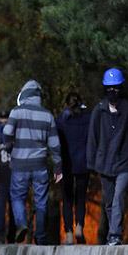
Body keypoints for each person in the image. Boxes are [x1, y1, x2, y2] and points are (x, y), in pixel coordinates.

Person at [87, 68, 128, 246]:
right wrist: (91, 163)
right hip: (104, 164)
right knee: (109, 202)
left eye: (116, 88)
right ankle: (115, 232)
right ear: (105, 89)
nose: (113, 91)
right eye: (109, 88)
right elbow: (92, 138)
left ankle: (114, 235)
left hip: (124, 163)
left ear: (121, 88)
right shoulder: (99, 110)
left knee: (118, 197)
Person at [3, 80, 62, 245]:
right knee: (41, 202)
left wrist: (9, 148)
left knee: (17, 197)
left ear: (23, 94)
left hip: (20, 164)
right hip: (40, 164)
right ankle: (40, 236)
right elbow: (55, 145)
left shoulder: (16, 112)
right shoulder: (47, 115)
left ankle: (21, 224)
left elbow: (7, 132)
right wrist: (58, 167)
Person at [55, 92, 91, 245]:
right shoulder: (88, 119)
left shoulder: (61, 120)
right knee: (81, 198)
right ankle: (80, 227)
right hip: (83, 162)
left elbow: (55, 140)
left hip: (67, 163)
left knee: (67, 199)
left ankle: (69, 232)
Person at [0, 111, 16, 244]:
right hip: (8, 173)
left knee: (3, 206)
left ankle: (2, 235)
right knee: (8, 205)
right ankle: (7, 235)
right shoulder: (12, 133)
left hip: (4, 173)